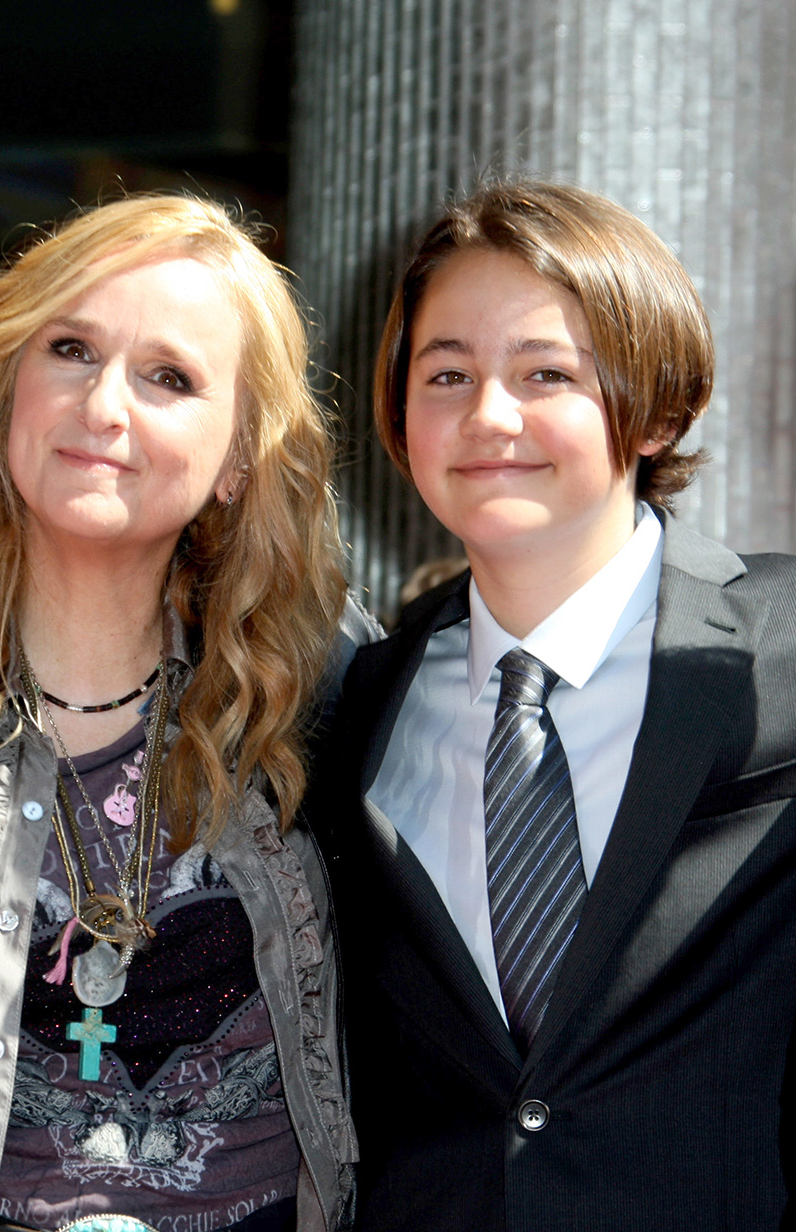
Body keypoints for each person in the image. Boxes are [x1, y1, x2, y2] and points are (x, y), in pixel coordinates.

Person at [0, 194, 366, 1232]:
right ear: (9, 381)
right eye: (71, 348)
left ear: (240, 457)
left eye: (169, 377)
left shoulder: (325, 689)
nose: (105, 406)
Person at [320, 179, 796, 1230]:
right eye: (446, 373)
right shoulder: (353, 710)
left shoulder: (780, 650)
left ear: (660, 407)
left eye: (545, 372)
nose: (489, 415)